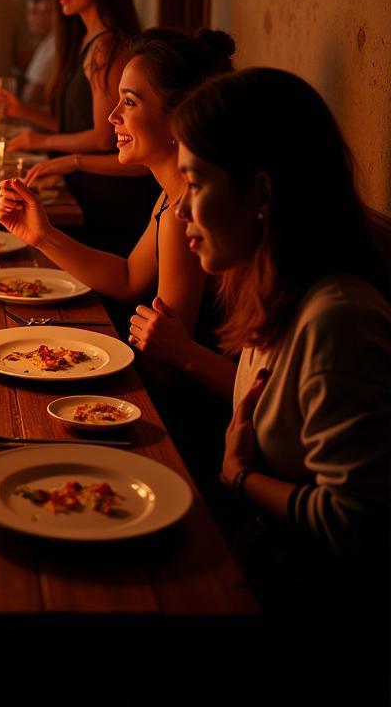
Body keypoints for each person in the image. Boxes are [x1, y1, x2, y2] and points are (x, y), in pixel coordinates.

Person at [139, 68, 390, 694]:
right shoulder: (271, 289)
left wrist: (242, 479)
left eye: (195, 184)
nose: (182, 210)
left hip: (299, 619)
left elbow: (358, 526)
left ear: (260, 193)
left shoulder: (338, 319)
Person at [0, 28, 236, 344]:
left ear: (180, 117)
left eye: (129, 102)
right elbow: (129, 278)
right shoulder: (172, 192)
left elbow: (170, 364)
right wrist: (43, 236)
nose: (112, 116)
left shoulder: (185, 213)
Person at [0, 0, 159, 254]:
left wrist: (53, 151)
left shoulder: (109, 46)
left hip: (109, 201)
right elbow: (78, 124)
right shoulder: (86, 40)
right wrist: (23, 112)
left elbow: (102, 137)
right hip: (84, 193)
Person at [20, 0, 56, 106]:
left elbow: (33, 93)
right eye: (30, 12)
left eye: (37, 12)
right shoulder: (47, 41)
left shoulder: (55, 44)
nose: (30, 18)